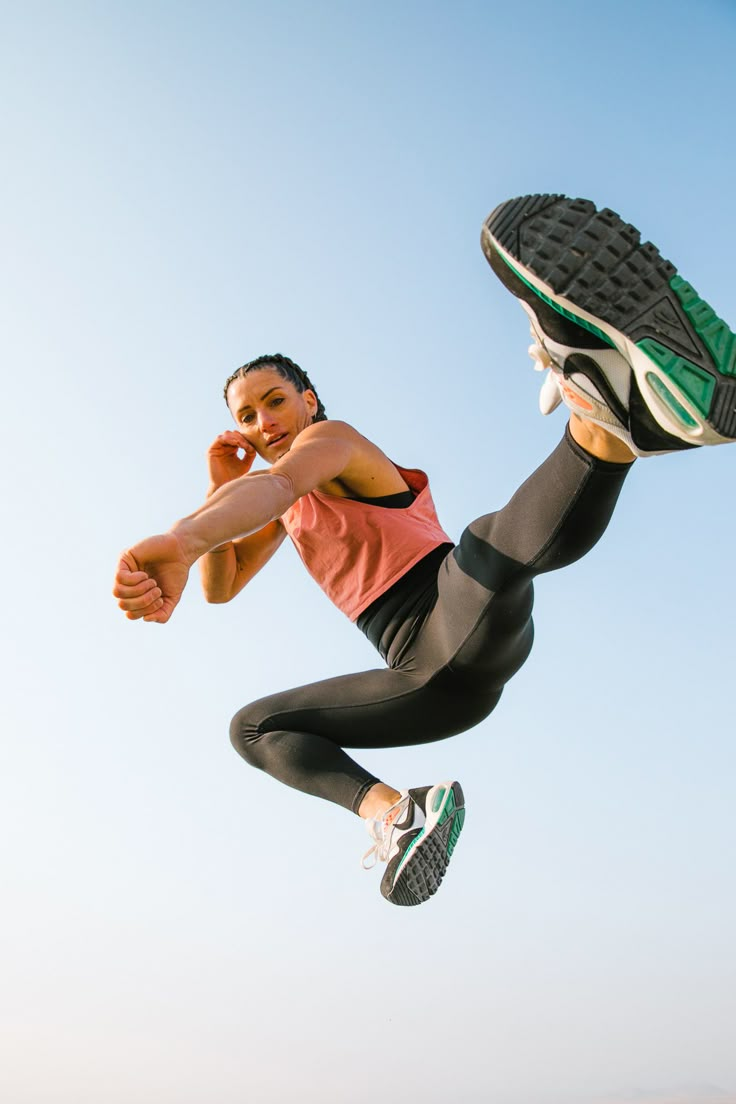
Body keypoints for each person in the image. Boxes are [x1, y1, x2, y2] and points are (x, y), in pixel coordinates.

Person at [113, 193, 735, 907]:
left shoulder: (331, 442)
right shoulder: (281, 507)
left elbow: (278, 486)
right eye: (246, 417)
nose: (263, 423)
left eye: (274, 401)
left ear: (309, 400)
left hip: (453, 604)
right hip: (429, 683)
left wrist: (183, 536)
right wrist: (210, 492)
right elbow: (222, 586)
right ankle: (399, 816)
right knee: (254, 729)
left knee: (485, 548)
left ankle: (607, 430)